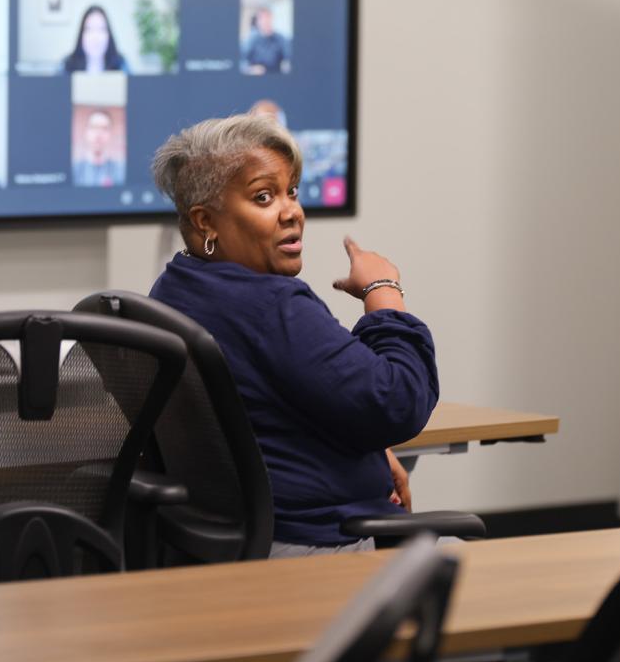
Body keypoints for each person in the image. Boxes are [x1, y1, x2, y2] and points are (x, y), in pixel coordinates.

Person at [148, 113, 432, 556]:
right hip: (315, 546)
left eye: (291, 192)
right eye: (264, 197)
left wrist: (375, 455)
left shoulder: (174, 290)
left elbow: (266, 417)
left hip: (235, 543)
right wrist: (383, 291)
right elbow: (396, 403)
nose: (292, 212)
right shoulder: (272, 308)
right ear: (206, 223)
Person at [62, 6, 129, 73]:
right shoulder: (67, 65)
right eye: (89, 29)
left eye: (101, 29)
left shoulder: (121, 65)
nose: (95, 37)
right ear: (81, 35)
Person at [72, 110, 125, 187]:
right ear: (86, 131)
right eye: (94, 127)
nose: (98, 134)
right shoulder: (74, 170)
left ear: (111, 134)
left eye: (104, 128)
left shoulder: (120, 171)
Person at [240, 7, 290, 75]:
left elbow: (289, 58)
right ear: (258, 22)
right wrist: (250, 69)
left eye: (267, 18)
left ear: (271, 19)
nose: (265, 21)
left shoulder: (281, 38)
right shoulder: (250, 39)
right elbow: (241, 61)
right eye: (262, 18)